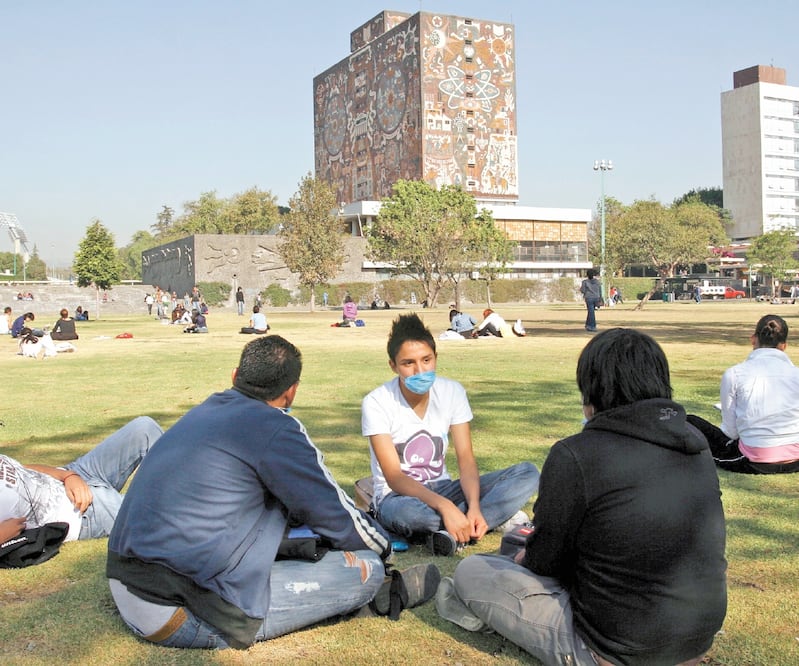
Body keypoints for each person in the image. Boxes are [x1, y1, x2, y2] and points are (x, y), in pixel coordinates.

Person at [107, 335, 439, 649]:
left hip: (125, 580)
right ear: (291, 392)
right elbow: (333, 514)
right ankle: (373, 598)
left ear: (236, 375)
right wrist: (384, 550)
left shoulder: (203, 411)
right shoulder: (277, 428)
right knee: (367, 567)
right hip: (183, 608)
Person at [437, 328, 727, 665]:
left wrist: (526, 558)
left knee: (473, 569)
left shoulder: (577, 454)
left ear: (593, 389)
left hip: (615, 649)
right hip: (697, 636)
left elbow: (546, 560)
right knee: (519, 544)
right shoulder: (694, 439)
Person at [361, 314, 540, 556]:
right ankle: (489, 518)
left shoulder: (452, 392)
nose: (419, 370)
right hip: (399, 497)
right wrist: (446, 507)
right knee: (411, 516)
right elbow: (393, 477)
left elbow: (466, 459)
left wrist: (475, 506)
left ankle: (467, 521)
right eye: (408, 363)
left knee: (528, 473)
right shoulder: (377, 402)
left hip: (444, 487)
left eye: (427, 360)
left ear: (436, 358)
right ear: (393, 365)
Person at [0, 417, 163, 545]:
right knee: (162, 513)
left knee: (144, 428)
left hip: (77, 473)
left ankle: (181, 492)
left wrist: (68, 476)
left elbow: (22, 469)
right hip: (80, 513)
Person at [687, 314, 799, 474]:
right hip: (796, 458)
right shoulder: (796, 373)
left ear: (753, 339)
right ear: (784, 346)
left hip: (756, 459)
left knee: (689, 421)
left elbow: (731, 432)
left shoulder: (735, 374)